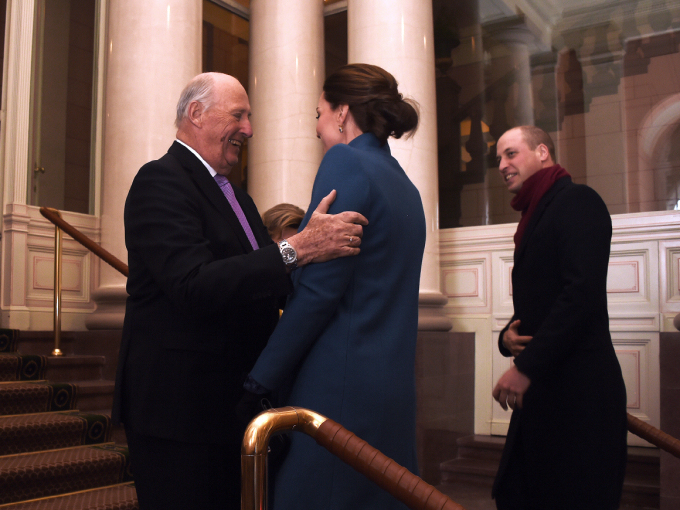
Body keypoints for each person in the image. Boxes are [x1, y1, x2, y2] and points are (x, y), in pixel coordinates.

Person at [111, 72, 368, 510]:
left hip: (231, 409)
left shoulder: (238, 195)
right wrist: (296, 249)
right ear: (196, 114)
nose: (248, 129)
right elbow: (193, 285)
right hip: (179, 415)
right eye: (238, 115)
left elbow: (258, 283)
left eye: (248, 116)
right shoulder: (160, 181)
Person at [243, 63, 426, 510]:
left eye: (319, 113)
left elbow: (321, 291)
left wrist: (260, 378)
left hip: (337, 383)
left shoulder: (345, 162)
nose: (318, 127)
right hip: (391, 385)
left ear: (343, 112)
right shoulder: (406, 186)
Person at [491, 125, 627, 510]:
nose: (502, 165)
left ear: (543, 152)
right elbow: (543, 301)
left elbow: (579, 296)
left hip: (579, 395)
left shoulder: (577, 201)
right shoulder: (536, 212)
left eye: (511, 153)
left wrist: (525, 367)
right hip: (546, 393)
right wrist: (506, 338)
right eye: (498, 158)